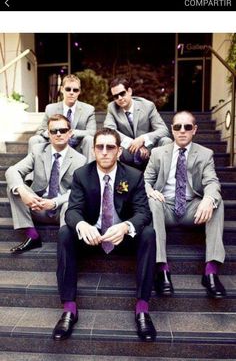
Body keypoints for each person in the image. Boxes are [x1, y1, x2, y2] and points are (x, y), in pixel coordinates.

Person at [52, 127, 157, 342]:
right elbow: (73, 210)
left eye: (111, 147)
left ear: (119, 151)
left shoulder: (134, 176)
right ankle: (69, 308)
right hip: (92, 237)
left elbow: (143, 212)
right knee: (65, 233)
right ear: (93, 150)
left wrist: (127, 226)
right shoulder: (82, 174)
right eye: (100, 147)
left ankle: (142, 309)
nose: (105, 151)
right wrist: (82, 225)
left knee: (148, 234)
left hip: (121, 237)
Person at [144, 110, 226, 298]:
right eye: (177, 127)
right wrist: (151, 190)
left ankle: (211, 271)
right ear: (172, 129)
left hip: (192, 209)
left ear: (194, 130)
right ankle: (161, 268)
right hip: (165, 207)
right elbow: (145, 180)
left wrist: (208, 199)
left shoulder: (205, 154)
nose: (182, 131)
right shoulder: (157, 153)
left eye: (187, 127)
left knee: (217, 202)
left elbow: (212, 182)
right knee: (152, 201)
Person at [5, 114, 86, 253]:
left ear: (70, 133)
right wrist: (24, 193)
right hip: (37, 206)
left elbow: (78, 192)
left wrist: (54, 202)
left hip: (61, 211)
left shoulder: (80, 159)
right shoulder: (38, 151)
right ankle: (32, 235)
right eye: (54, 131)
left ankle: (65, 242)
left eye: (63, 130)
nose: (58, 134)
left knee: (70, 202)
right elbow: (13, 170)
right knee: (14, 186)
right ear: (48, 134)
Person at [104, 77, 172, 169]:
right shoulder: (112, 107)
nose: (119, 98)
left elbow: (164, 130)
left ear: (129, 91)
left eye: (122, 93)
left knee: (166, 141)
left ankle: (165, 179)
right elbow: (109, 130)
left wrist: (143, 139)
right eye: (116, 96)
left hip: (148, 148)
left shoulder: (147, 106)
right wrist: (134, 143)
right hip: (127, 150)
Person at [28, 74, 96, 162]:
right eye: (68, 89)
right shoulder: (51, 108)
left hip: (77, 146)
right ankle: (31, 174)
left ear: (79, 92)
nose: (71, 92)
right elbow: (41, 131)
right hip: (55, 144)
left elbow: (92, 132)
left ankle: (89, 174)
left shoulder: (88, 109)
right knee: (34, 140)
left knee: (89, 139)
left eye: (75, 90)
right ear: (62, 89)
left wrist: (71, 133)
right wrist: (52, 133)